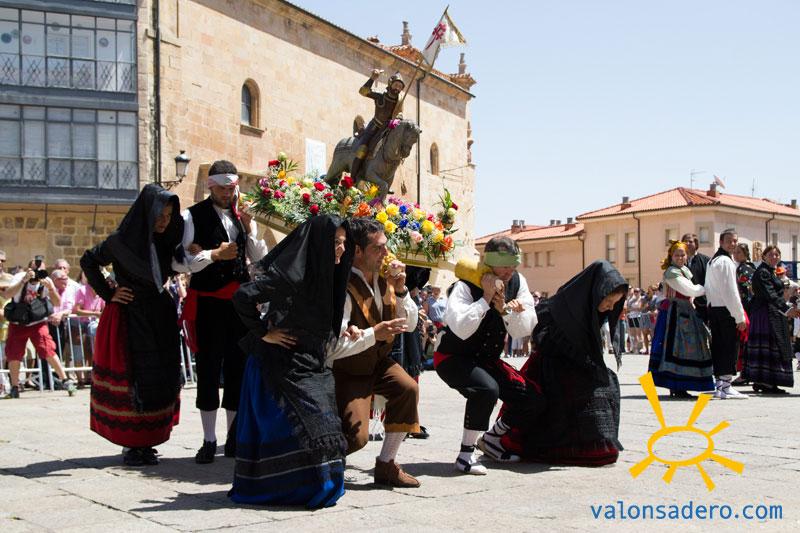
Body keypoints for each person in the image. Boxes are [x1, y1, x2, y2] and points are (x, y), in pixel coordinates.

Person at [229, 215, 354, 508]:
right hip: (277, 366)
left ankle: (319, 487)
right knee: (300, 425)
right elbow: (242, 296)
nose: (341, 249)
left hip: (309, 363)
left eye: (343, 243)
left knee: (324, 423)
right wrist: (264, 333)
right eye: (335, 242)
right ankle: (285, 490)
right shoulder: (291, 276)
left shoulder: (326, 275)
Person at [80, 184, 184, 466]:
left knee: (160, 375)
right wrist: (109, 293)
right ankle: (133, 443)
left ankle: (149, 440)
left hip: (160, 316)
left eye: (168, 216)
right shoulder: (120, 242)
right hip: (131, 316)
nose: (164, 221)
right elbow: (89, 261)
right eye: (160, 215)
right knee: (135, 377)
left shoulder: (166, 240)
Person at [177, 160, 268, 464]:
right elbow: (181, 260)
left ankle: (232, 437)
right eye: (222, 189)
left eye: (231, 189)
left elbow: (258, 257)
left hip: (238, 303)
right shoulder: (192, 216)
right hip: (208, 302)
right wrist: (212, 254)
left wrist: (250, 227)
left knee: (236, 368)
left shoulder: (241, 216)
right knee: (207, 367)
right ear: (211, 187)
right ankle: (208, 439)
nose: (228, 194)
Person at [500, 261, 628, 466]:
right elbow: (543, 341)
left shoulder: (593, 310)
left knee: (608, 380)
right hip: (551, 367)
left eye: (615, 303)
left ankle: (595, 443)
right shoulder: (557, 307)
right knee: (585, 386)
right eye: (608, 301)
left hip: (578, 365)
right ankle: (569, 447)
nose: (610, 307)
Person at [434, 236, 541, 475]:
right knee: (486, 390)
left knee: (530, 397)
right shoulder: (463, 286)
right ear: (490, 263)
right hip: (453, 356)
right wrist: (485, 298)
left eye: (513, 266)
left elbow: (523, 329)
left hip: (486, 359)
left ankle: (492, 440)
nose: (510, 272)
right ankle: (465, 456)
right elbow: (460, 328)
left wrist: (505, 310)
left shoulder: (517, 283)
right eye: (504, 267)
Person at [327, 217, 421, 488]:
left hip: (378, 362)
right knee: (356, 438)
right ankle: (315, 463)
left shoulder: (386, 280)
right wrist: (373, 334)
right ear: (357, 251)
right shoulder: (342, 285)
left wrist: (402, 291)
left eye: (385, 246)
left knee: (407, 388)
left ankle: (386, 464)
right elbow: (333, 348)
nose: (385, 253)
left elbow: (410, 325)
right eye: (377, 248)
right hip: (348, 370)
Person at [2, 258, 75, 398]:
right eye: (35, 270)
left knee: (48, 349)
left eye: (41, 270)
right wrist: (23, 281)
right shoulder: (19, 277)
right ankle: (15, 387)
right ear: (29, 269)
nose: (37, 273)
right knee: (14, 353)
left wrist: (51, 289)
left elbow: (57, 303)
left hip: (37, 322)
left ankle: (65, 380)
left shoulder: (45, 280)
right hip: (18, 322)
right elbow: (7, 295)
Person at [648, 241, 713, 398]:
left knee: (684, 348)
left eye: (682, 254)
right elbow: (690, 290)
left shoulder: (683, 270)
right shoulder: (672, 272)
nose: (680, 257)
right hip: (674, 312)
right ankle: (676, 384)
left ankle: (680, 384)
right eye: (677, 255)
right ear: (671, 256)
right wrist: (707, 288)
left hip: (684, 310)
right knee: (676, 347)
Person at [741, 246, 800, 394]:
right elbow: (770, 294)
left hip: (772, 312)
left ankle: (767, 381)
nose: (774, 257)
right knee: (768, 346)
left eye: (776, 255)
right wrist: (787, 310)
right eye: (771, 255)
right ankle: (765, 382)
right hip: (764, 314)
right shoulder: (763, 272)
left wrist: (786, 308)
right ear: (764, 256)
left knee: (774, 346)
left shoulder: (770, 271)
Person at [704, 230, 749, 399]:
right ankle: (726, 386)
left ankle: (720, 386)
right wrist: (739, 316)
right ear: (721, 242)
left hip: (715, 309)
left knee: (719, 348)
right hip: (725, 310)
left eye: (735, 241)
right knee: (729, 347)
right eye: (729, 241)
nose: (733, 244)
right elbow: (730, 292)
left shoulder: (713, 260)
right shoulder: (725, 262)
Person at [349, 68, 405, 181]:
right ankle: (353, 178)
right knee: (362, 150)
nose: (398, 88)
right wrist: (372, 78)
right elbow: (363, 91)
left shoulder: (399, 100)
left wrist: (396, 120)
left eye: (400, 86)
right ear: (390, 84)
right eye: (396, 85)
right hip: (374, 127)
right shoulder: (381, 95)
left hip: (387, 129)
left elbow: (399, 113)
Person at [682, 233, 710, 322]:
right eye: (685, 241)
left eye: (690, 241)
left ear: (696, 244)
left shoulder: (706, 260)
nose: (687, 243)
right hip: (683, 305)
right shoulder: (678, 261)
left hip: (701, 305)